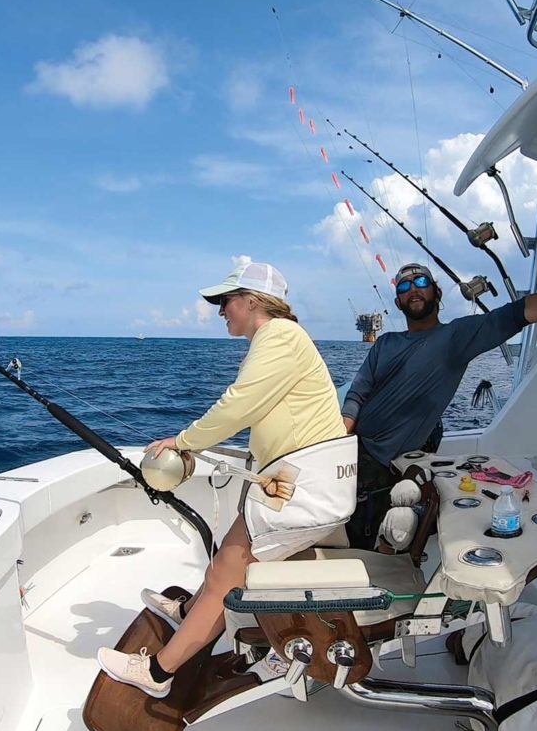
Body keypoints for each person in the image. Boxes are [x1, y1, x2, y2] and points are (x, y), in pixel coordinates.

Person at [96, 260, 350, 698]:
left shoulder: (280, 336)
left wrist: (184, 441)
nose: (220, 311)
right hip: (290, 485)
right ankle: (189, 610)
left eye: (226, 301)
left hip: (299, 493)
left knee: (228, 574)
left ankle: (158, 673)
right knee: (223, 566)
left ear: (253, 302)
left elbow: (239, 405)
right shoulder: (280, 340)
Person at [342, 258, 537, 548]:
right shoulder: (385, 343)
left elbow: (521, 313)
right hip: (353, 452)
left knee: (366, 539)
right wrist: (339, 443)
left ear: (437, 293)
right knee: (344, 527)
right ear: (398, 303)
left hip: (387, 465)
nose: (413, 289)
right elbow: (358, 393)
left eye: (421, 282)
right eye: (405, 286)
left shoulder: (456, 336)